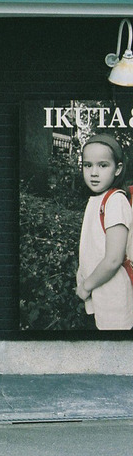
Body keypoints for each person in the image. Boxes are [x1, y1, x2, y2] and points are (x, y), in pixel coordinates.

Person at [73, 134, 133, 331]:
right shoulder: (99, 199)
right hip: (101, 294)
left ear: (118, 169)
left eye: (103, 165)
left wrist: (85, 286)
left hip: (114, 297)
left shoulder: (115, 201)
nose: (94, 173)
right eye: (88, 165)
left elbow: (114, 259)